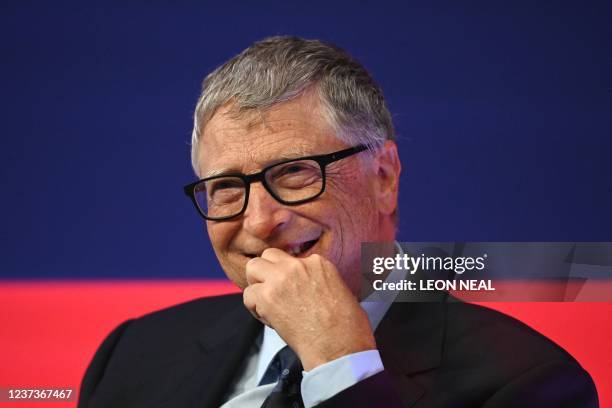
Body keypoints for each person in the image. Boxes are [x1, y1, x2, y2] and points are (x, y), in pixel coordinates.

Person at [78, 36, 598, 407]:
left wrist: (339, 366)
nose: (259, 221)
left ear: (385, 177)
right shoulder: (134, 355)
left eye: (296, 173)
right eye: (228, 188)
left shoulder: (527, 383)